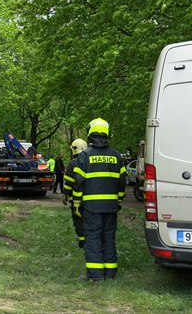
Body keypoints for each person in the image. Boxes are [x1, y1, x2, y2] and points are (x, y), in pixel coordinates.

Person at [72, 118, 126, 281]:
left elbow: (78, 182)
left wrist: (76, 203)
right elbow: (122, 182)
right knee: (109, 238)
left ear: (90, 133)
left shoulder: (84, 156)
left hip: (91, 208)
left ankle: (95, 276)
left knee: (93, 239)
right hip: (111, 207)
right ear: (107, 134)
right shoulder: (116, 156)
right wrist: (118, 200)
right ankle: (110, 274)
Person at [63, 138, 87, 249]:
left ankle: (82, 242)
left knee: (78, 219)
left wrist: (65, 194)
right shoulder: (90, 161)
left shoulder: (72, 164)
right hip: (90, 197)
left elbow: (69, 182)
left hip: (76, 197)